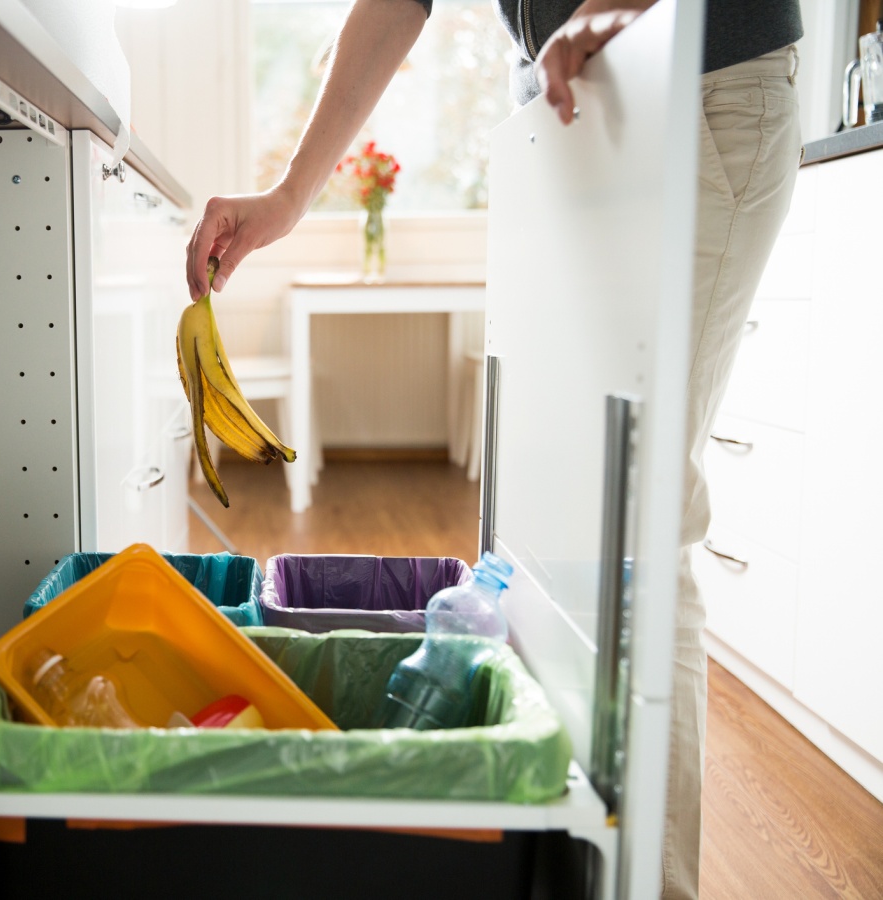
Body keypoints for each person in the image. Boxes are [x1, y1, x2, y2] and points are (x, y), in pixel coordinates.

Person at [184, 2, 802, 898]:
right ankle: (551, 854)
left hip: (699, 81)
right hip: (574, 104)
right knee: (542, 523)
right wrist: (288, 197)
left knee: (634, 515)